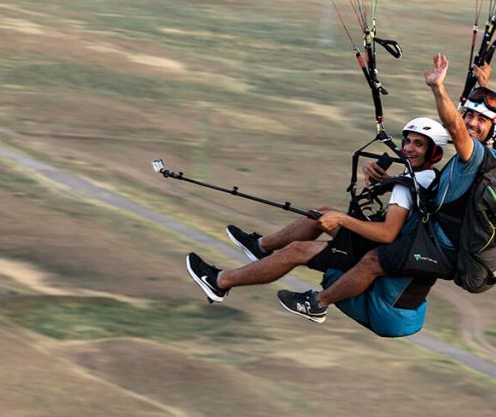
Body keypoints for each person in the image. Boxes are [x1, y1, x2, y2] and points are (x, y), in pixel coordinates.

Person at [275, 54, 496, 331]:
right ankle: (268, 249)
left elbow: (456, 128)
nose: (471, 122)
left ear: (494, 127)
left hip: (442, 244)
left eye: (480, 120)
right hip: (445, 234)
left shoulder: (475, 155)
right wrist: (483, 85)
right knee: (357, 239)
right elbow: (475, 125)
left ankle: (317, 303)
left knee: (374, 260)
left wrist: (438, 87)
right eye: (469, 115)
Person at [184, 117, 451, 318]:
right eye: (407, 141)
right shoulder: (426, 177)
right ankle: (261, 247)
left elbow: (387, 233)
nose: (408, 148)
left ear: (434, 152)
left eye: (418, 144)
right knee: (320, 214)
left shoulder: (410, 183)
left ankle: (219, 282)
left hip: (377, 250)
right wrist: (386, 181)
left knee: (296, 250)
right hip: (385, 245)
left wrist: (342, 219)